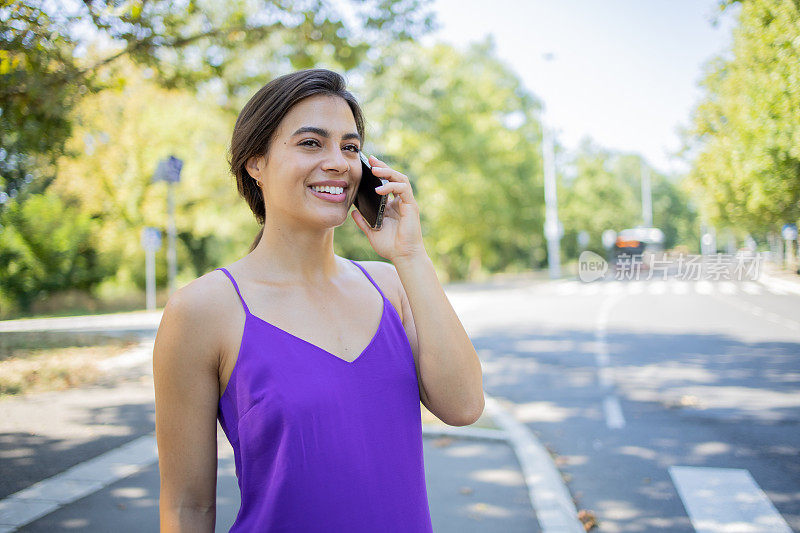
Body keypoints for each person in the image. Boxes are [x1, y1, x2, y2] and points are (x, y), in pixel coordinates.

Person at [153, 68, 485, 532]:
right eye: (311, 143)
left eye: (350, 147)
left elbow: (464, 406)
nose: (338, 163)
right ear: (255, 162)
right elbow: (188, 508)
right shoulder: (203, 310)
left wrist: (411, 254)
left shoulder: (390, 286)